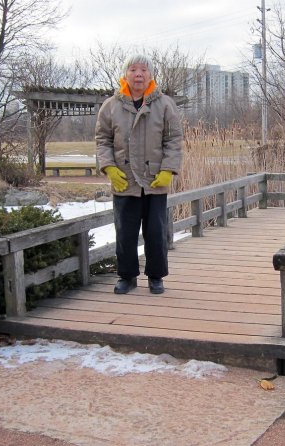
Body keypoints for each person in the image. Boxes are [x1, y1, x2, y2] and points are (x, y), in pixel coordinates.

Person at [95, 54, 183, 295]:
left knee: (156, 231)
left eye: (143, 70)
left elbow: (173, 140)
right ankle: (127, 276)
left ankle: (156, 276)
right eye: (133, 69)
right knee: (125, 231)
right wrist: (109, 168)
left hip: (155, 180)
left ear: (150, 75)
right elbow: (102, 140)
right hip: (125, 181)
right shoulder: (111, 106)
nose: (138, 74)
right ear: (125, 74)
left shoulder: (164, 104)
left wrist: (167, 170)